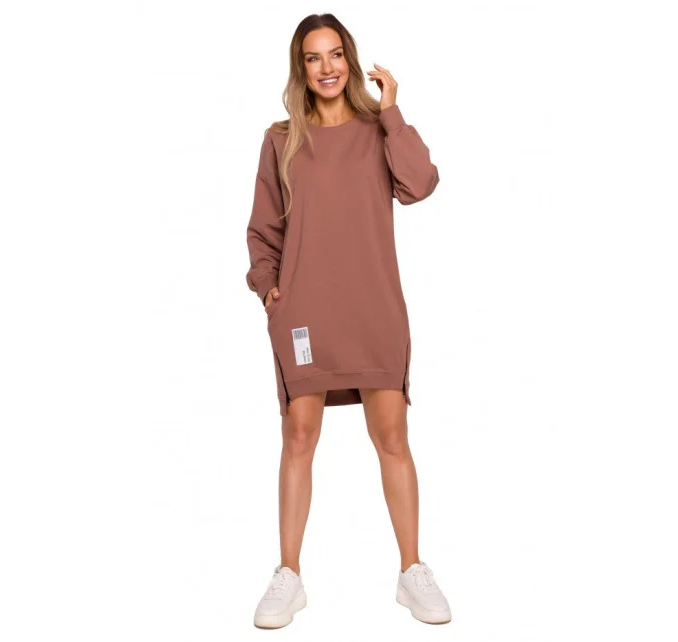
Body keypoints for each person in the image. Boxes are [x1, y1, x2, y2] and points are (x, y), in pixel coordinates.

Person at [245, 13, 450, 628]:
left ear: (350, 60)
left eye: (336, 54)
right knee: (299, 438)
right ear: (301, 68)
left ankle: (412, 571)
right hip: (306, 313)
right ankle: (289, 575)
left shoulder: (377, 131)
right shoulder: (281, 139)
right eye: (314, 57)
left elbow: (421, 183)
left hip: (374, 308)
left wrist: (392, 113)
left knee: (392, 438)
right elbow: (263, 229)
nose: (327, 67)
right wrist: (269, 290)